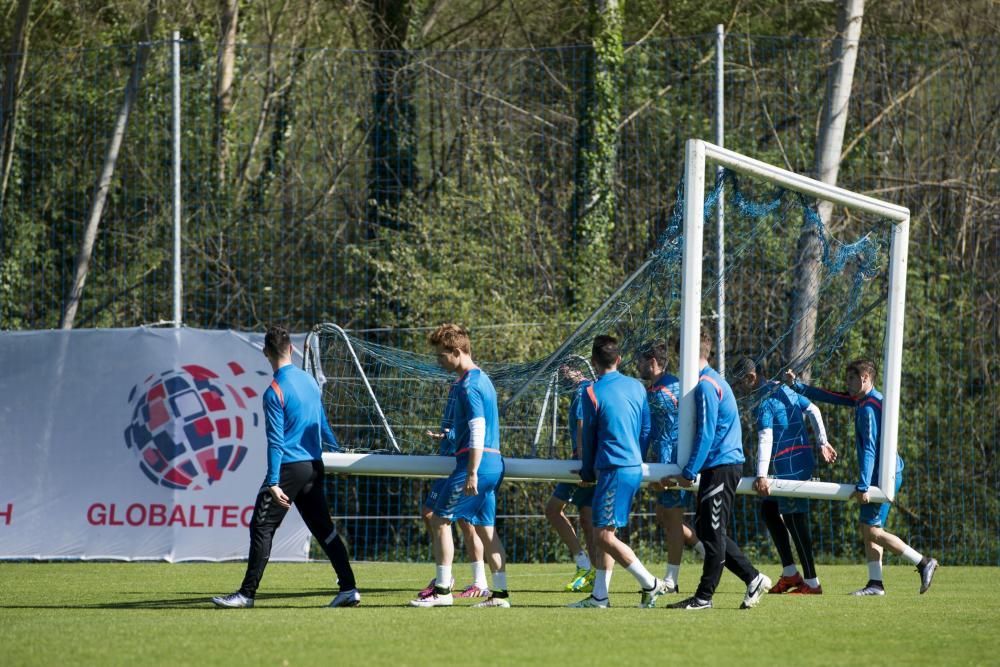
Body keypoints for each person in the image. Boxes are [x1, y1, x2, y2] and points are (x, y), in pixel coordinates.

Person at [212, 325, 359, 609]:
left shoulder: (274, 391)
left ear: (265, 352)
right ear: (291, 348)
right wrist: (339, 452)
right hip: (314, 466)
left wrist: (273, 481)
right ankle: (349, 588)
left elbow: (276, 443)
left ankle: (246, 594)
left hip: (290, 469)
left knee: (262, 526)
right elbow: (323, 425)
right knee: (324, 528)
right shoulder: (310, 382)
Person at [784, 360, 938, 596]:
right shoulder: (866, 400)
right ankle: (875, 584)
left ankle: (923, 562)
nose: (847, 384)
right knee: (870, 529)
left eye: (851, 379)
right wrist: (797, 386)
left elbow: (870, 448)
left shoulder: (868, 408)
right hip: (887, 473)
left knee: (873, 532)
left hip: (881, 476)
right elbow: (829, 396)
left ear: (865, 377)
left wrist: (864, 484)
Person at [663, 329, 771, 611]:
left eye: (678, 356)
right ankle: (753, 578)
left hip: (723, 465)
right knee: (706, 528)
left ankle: (704, 596)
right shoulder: (708, 381)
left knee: (711, 531)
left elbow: (707, 433)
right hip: (717, 465)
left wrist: (688, 471)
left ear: (686, 354)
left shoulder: (707, 385)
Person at [409, 323, 511, 608]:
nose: (438, 362)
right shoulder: (484, 379)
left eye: (442, 356)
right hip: (495, 463)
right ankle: (500, 595)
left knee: (440, 520)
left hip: (477, 464)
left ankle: (442, 591)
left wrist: (471, 472)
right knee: (488, 530)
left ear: (456, 351)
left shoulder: (469, 385)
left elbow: (478, 428)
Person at [568, 335, 669, 609]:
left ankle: (651, 583)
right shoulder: (637, 386)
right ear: (619, 359)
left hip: (613, 469)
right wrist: (635, 454)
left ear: (592, 362)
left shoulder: (591, 391)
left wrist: (588, 470)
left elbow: (587, 435)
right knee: (607, 532)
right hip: (631, 467)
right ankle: (600, 596)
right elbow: (646, 429)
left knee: (602, 536)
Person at [733, 356, 836, 595]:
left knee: (795, 519)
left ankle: (812, 582)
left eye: (741, 383)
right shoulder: (781, 388)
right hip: (797, 460)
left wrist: (761, 475)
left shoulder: (766, 400)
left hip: (791, 465)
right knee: (769, 510)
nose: (740, 388)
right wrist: (822, 442)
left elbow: (765, 437)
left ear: (751, 377)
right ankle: (790, 574)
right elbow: (813, 409)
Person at [636, 340, 704, 595]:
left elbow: (688, 427)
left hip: (675, 463)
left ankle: (671, 581)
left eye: (641, 361)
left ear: (652, 362)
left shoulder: (675, 387)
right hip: (659, 462)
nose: (638, 366)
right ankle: (708, 553)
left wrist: (679, 468)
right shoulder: (651, 390)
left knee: (673, 518)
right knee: (663, 515)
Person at [544, 365, 597, 593]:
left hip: (582, 464)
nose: (563, 375)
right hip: (590, 462)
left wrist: (584, 464)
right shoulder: (590, 389)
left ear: (578, 369)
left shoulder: (582, 391)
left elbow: (582, 426)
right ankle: (592, 573)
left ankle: (584, 565)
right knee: (587, 518)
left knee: (553, 509)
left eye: (567, 370)